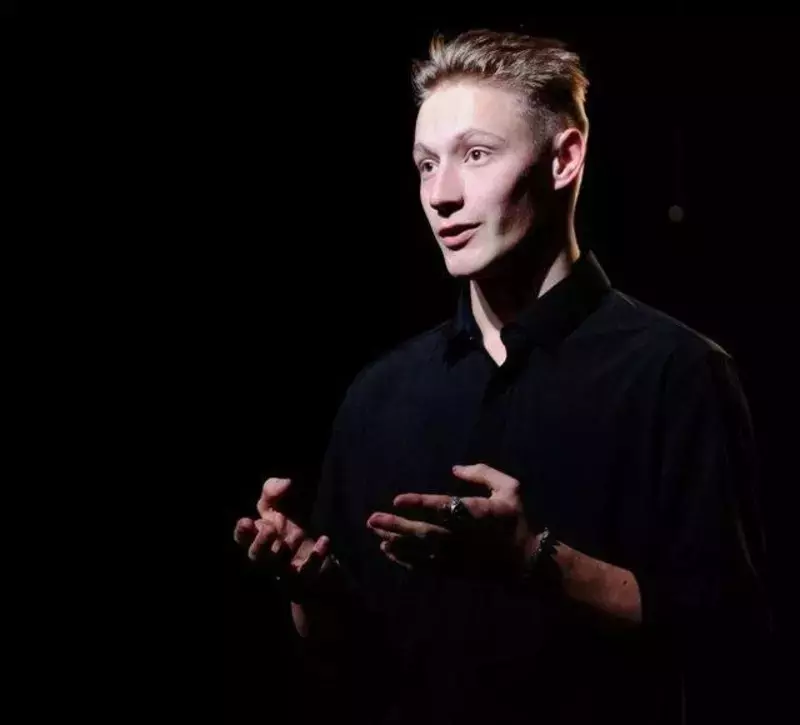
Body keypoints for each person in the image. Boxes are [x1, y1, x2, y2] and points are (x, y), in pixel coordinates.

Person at [232, 29, 771, 724]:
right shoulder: (379, 394)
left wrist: (532, 558)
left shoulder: (677, 371)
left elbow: (728, 634)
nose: (441, 195)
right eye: (426, 164)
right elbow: (347, 659)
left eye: (476, 154)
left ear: (564, 159)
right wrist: (311, 584)